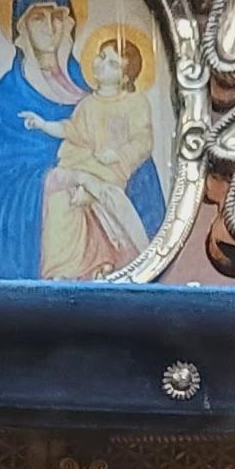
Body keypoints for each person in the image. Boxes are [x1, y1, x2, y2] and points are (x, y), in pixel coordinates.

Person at [0, 0, 164, 280]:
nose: (50, 27)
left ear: (69, 24)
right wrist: (71, 178)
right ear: (21, 29)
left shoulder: (98, 97)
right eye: (38, 18)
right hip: (50, 245)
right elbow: (2, 188)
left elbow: (140, 168)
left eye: (58, 17)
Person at [40, 24, 163, 278]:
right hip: (84, 164)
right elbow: (73, 130)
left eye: (112, 64)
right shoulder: (88, 104)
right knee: (60, 197)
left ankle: (103, 260)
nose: (101, 64)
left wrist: (118, 154)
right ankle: (66, 268)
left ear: (125, 77)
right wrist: (43, 125)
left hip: (110, 172)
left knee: (96, 200)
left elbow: (143, 140)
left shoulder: (135, 103)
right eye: (102, 56)